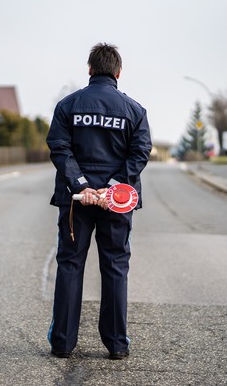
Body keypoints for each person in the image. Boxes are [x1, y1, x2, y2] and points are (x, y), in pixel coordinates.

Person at [46, 43, 152, 360]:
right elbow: (140, 152)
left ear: (89, 69)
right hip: (116, 204)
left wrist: (81, 184)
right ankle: (117, 344)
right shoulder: (135, 111)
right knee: (116, 267)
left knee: (70, 264)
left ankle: (63, 342)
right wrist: (113, 186)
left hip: (77, 200)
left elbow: (59, 149)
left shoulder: (68, 106)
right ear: (118, 72)